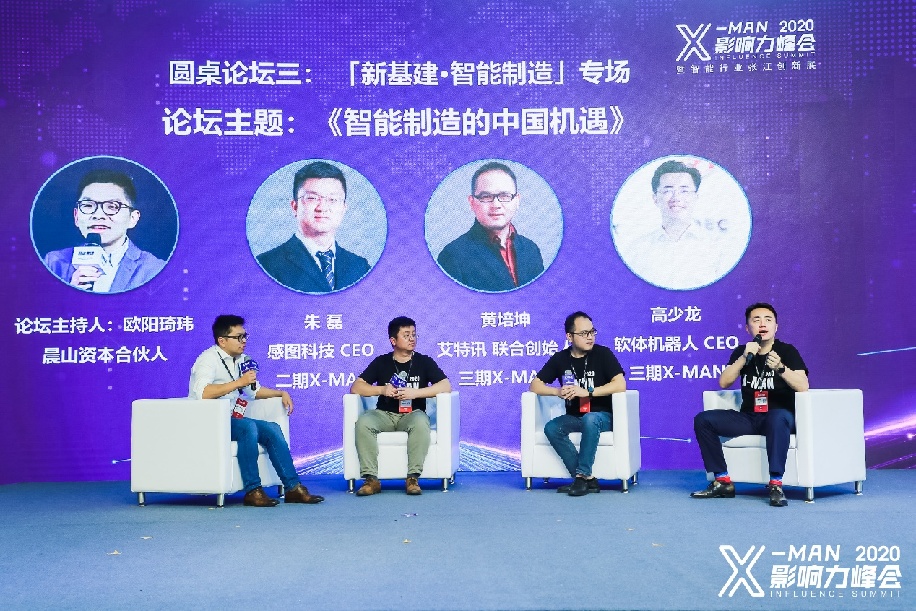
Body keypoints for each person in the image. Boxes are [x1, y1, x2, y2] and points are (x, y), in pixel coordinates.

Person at [188, 314, 324, 507]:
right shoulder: (207, 360)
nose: (243, 341)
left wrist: (280, 393)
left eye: (245, 336)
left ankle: (293, 488)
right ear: (222, 341)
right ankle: (253, 490)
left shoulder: (242, 360)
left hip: (231, 419)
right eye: (238, 337)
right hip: (209, 420)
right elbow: (203, 393)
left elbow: (254, 391)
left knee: (272, 428)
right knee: (248, 427)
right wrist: (239, 382)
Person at [691, 303, 809, 507]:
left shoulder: (787, 351)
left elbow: (803, 385)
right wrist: (744, 358)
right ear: (748, 328)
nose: (762, 324)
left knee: (777, 417)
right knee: (703, 420)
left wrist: (780, 368)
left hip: (780, 417)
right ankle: (722, 481)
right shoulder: (743, 352)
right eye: (756, 320)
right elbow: (724, 382)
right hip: (750, 417)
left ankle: (776, 485)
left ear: (776, 327)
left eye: (768, 320)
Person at [350, 316, 451, 496]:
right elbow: (356, 387)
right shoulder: (381, 362)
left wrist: (416, 393)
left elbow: (445, 386)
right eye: (406, 335)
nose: (412, 339)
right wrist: (382, 389)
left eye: (414, 334)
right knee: (364, 422)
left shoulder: (424, 361)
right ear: (393, 340)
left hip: (413, 414)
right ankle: (371, 479)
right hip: (384, 415)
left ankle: (412, 478)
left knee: (421, 422)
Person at [529, 311, 626, 496]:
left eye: (592, 332)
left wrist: (588, 392)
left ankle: (581, 477)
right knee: (552, 428)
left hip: (603, 417)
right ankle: (587, 480)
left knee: (591, 418)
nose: (590, 337)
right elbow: (534, 385)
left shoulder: (603, 354)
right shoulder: (560, 359)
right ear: (569, 336)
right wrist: (557, 392)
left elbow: (620, 384)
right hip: (575, 416)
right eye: (584, 333)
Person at [43, 169, 166, 292]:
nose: (98, 215)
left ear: (132, 218)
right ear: (76, 217)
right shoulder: (54, 263)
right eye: (88, 205)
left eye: (112, 206)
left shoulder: (154, 269)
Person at [257, 161, 370, 293]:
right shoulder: (266, 265)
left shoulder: (360, 267)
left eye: (332, 199)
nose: (322, 207)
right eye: (312, 198)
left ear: (344, 208)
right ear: (295, 207)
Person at [437, 161, 544, 291]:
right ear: (472, 202)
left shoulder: (531, 249)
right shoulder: (452, 256)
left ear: (517, 201)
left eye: (504, 196)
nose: (496, 205)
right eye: (486, 196)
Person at [622, 160, 727, 290]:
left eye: (684, 191)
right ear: (655, 198)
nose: (676, 198)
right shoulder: (637, 250)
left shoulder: (715, 248)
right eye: (668, 190)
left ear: (695, 197)